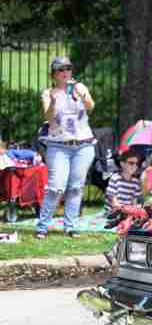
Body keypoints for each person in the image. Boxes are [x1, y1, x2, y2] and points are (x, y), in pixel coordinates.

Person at [36, 56, 96, 240]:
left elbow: (91, 107)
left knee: (76, 188)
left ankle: (71, 227)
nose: (65, 73)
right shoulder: (48, 93)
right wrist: (54, 101)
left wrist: (82, 94)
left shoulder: (80, 87)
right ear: (53, 74)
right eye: (60, 70)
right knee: (56, 187)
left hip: (83, 145)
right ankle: (42, 226)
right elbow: (48, 117)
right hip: (58, 146)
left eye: (68, 69)